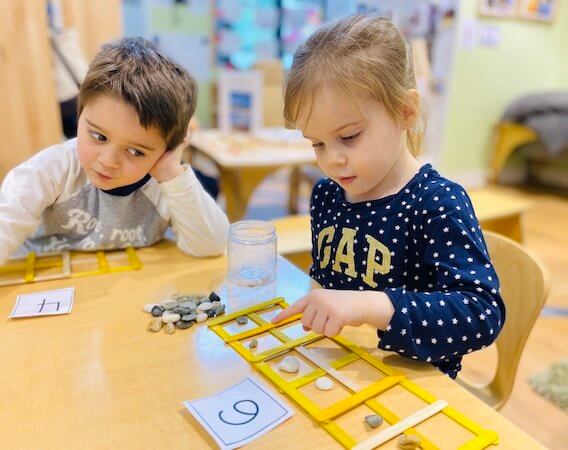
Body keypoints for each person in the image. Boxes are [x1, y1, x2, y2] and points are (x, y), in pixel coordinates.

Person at [272, 15, 505, 378]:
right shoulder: (328, 195)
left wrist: (372, 305)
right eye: (317, 142)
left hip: (413, 383)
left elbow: (481, 314)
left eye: (349, 136)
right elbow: (326, 282)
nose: (332, 159)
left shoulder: (437, 202)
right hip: (339, 364)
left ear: (405, 111)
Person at [0, 38, 229, 264]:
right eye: (99, 136)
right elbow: (5, 223)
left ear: (166, 150)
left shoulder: (163, 185)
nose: (109, 161)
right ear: (80, 115)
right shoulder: (51, 170)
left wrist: (170, 172)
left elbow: (211, 246)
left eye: (136, 152)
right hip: (44, 283)